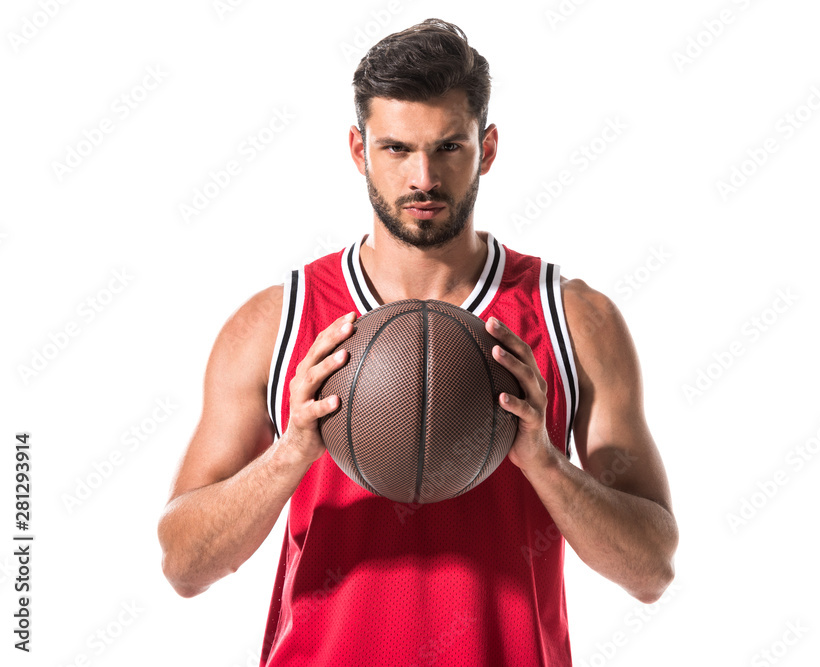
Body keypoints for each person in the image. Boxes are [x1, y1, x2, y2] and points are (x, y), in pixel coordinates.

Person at [157, 18, 678, 667]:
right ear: (358, 150)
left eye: (448, 148)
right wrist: (290, 453)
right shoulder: (277, 322)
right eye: (397, 149)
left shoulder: (571, 318)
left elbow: (652, 568)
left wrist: (543, 461)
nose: (422, 177)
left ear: (486, 149)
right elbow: (183, 565)